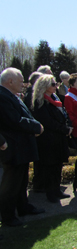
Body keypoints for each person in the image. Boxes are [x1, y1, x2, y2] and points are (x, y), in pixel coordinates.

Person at [0, 68, 45, 227]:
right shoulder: (2, 97)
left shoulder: (12, 95)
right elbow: (15, 120)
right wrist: (35, 127)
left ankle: (23, 207)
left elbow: (25, 115)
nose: (24, 84)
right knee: (11, 184)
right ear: (10, 81)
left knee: (21, 181)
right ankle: (7, 216)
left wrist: (34, 125)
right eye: (20, 81)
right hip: (13, 148)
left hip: (21, 147)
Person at [32, 74, 73, 202]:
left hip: (58, 139)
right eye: (53, 84)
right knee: (50, 167)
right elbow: (48, 122)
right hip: (48, 141)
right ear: (44, 86)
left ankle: (57, 190)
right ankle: (51, 194)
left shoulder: (54, 100)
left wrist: (67, 126)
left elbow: (62, 116)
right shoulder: (40, 103)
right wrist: (64, 129)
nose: (56, 86)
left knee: (57, 166)